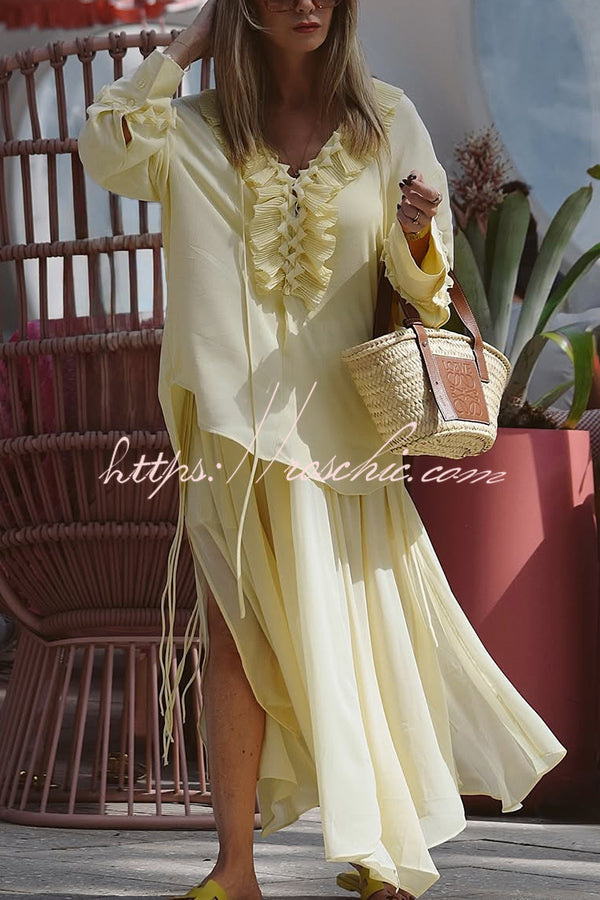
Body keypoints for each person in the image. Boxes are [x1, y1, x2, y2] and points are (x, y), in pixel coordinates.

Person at [78, 1, 567, 897]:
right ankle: (235, 870)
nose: (306, 3)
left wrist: (416, 232)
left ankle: (382, 855)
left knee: (363, 639)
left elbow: (426, 288)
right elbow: (106, 147)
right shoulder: (189, 130)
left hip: (343, 435)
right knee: (233, 638)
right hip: (231, 432)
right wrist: (187, 44)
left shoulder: (388, 121)